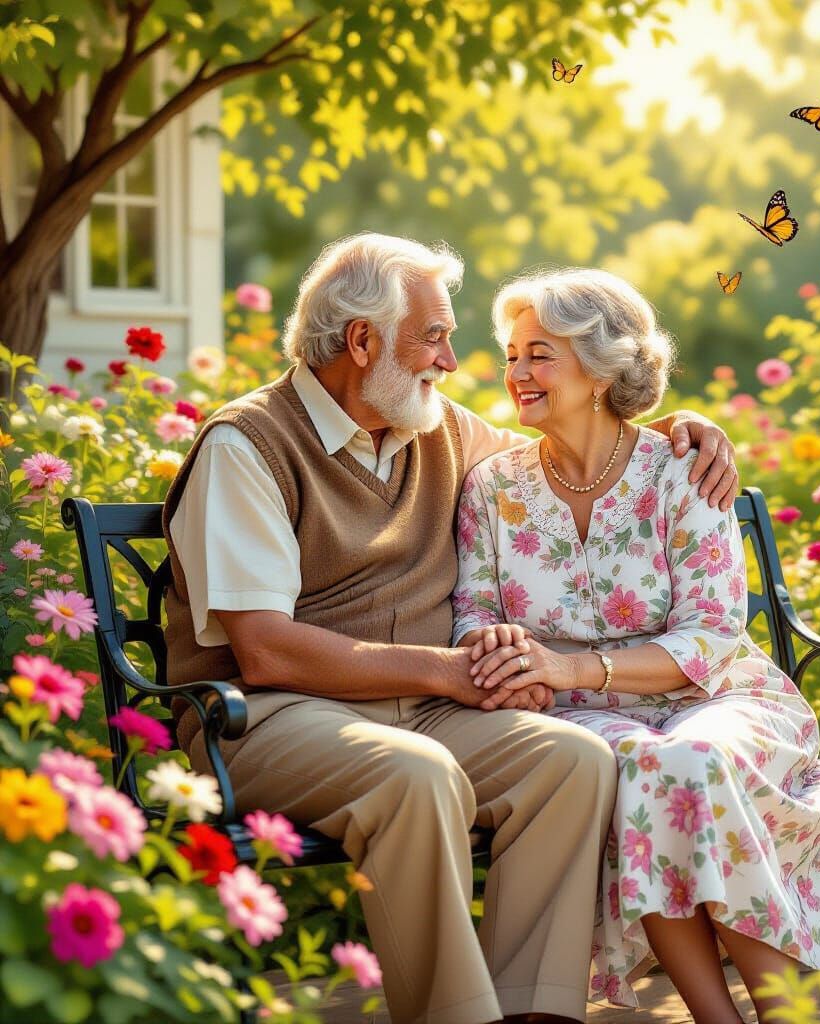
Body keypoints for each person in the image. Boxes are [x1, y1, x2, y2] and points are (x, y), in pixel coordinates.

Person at [161, 233, 741, 1024]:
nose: (452, 360)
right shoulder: (248, 445)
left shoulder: (435, 427)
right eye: (432, 336)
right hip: (265, 715)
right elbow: (264, 649)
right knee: (416, 776)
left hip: (418, 711)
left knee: (572, 762)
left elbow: (581, 441)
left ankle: (534, 1012)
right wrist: (446, 671)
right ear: (362, 342)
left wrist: (680, 426)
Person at [452, 268, 820, 1024]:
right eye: (512, 355)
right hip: (580, 713)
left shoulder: (683, 473)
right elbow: (474, 613)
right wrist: (502, 654)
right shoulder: (493, 485)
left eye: (539, 355)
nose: (516, 372)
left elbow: (714, 631)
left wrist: (572, 663)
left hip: (716, 694)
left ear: (600, 369)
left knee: (687, 759)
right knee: (650, 766)